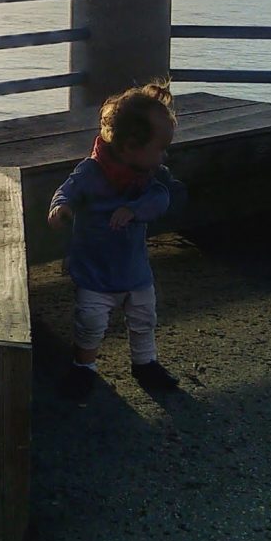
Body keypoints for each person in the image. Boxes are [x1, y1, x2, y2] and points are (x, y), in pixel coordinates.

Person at [47, 80, 185, 402]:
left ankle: (144, 362)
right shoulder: (91, 171)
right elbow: (67, 190)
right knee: (91, 321)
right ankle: (84, 365)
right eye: (160, 147)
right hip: (95, 271)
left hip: (135, 272)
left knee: (143, 317)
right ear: (129, 146)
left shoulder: (153, 177)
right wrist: (60, 207)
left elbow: (161, 200)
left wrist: (133, 210)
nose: (164, 154)